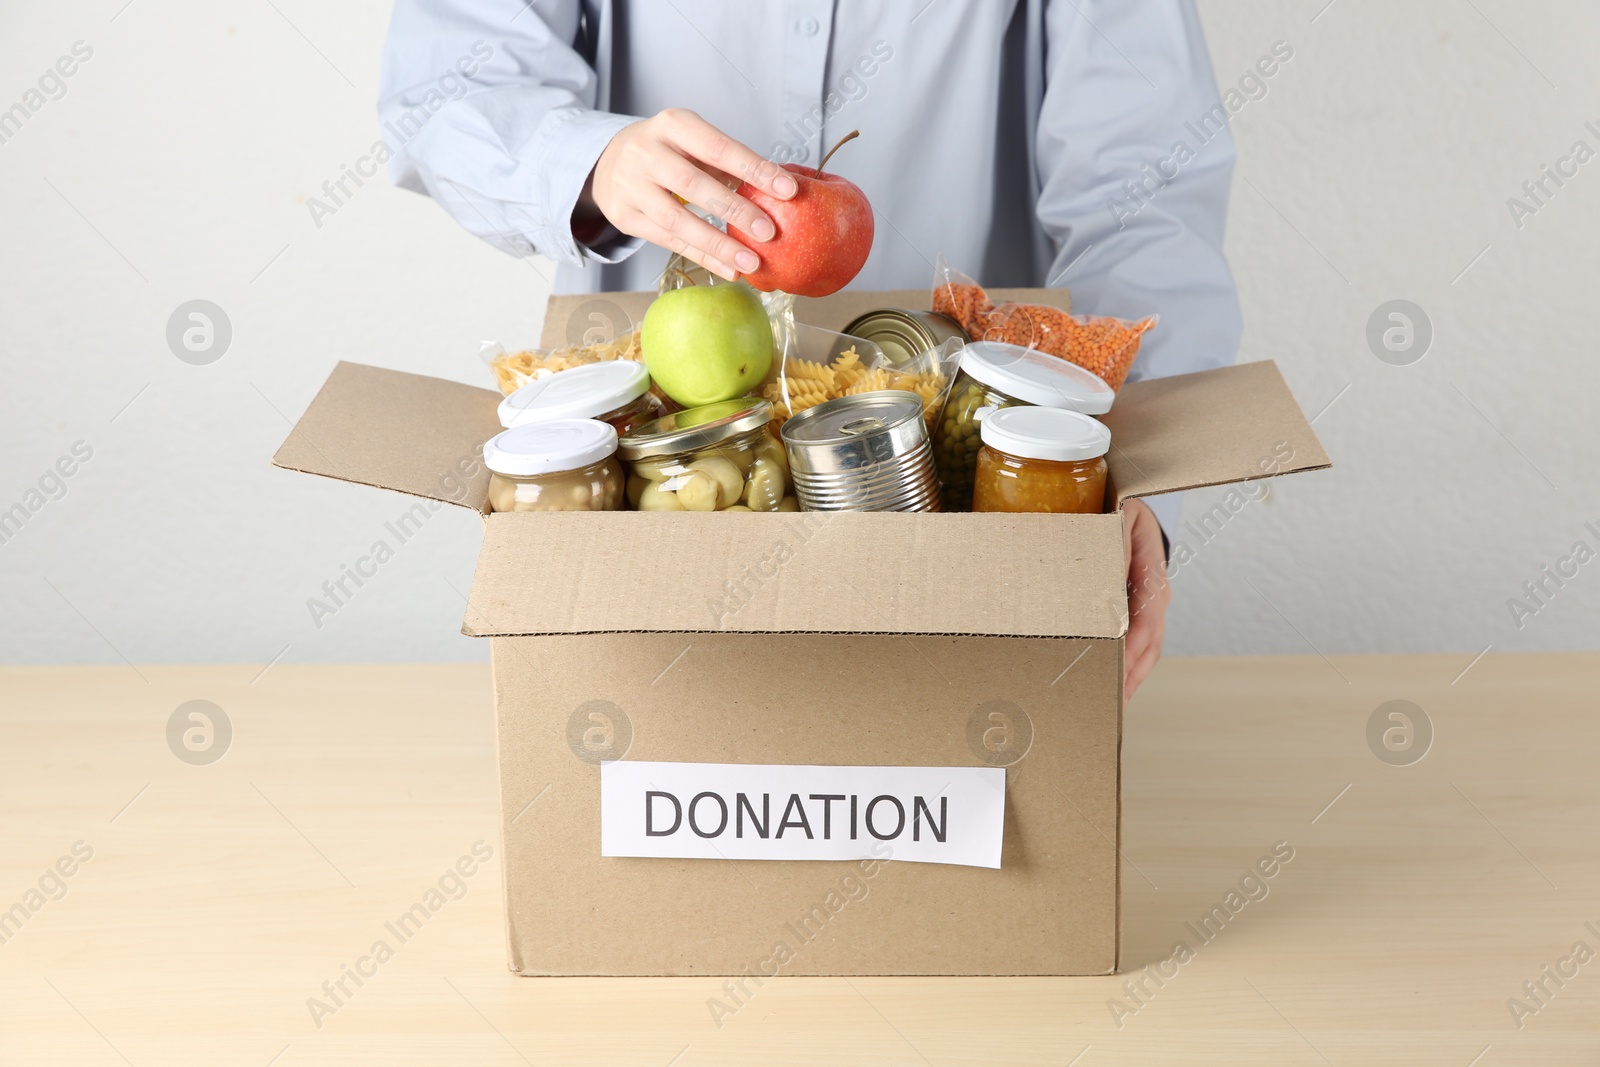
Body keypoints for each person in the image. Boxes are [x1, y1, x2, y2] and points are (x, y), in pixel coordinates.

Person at [378, 1, 1243, 698]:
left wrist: (1146, 485)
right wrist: (588, 160)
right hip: (655, 496)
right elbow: (445, 78)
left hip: (978, 514)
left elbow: (1148, 187)